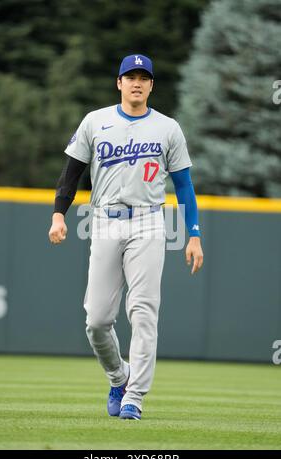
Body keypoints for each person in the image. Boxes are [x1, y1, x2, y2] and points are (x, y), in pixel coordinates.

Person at [49, 54, 203, 420]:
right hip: (103, 220)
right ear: (118, 83)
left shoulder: (168, 128)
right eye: (130, 76)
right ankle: (119, 377)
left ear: (151, 85)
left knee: (143, 312)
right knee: (97, 319)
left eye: (143, 77)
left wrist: (193, 234)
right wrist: (58, 214)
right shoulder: (95, 122)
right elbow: (71, 175)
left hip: (149, 222)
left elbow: (184, 186)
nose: (136, 82)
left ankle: (135, 396)